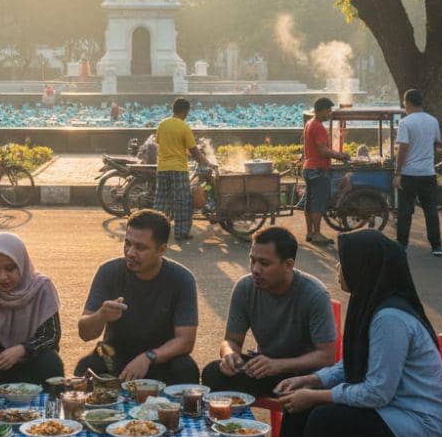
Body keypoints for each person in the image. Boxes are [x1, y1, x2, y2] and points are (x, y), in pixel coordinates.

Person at [273, 230, 442, 437]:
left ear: (363, 266)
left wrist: (316, 397)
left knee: (325, 420)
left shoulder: (389, 318)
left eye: (344, 261)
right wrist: (310, 381)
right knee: (300, 409)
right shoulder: (370, 302)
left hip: (417, 423)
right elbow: (352, 366)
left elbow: (377, 391)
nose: (338, 268)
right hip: (392, 410)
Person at [201, 226, 337, 396]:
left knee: (300, 396)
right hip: (264, 369)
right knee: (213, 372)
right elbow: (231, 340)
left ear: (288, 265)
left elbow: (326, 356)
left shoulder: (314, 294)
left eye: (264, 263)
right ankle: (238, 423)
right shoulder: (245, 288)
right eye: (252, 260)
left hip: (302, 375)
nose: (255, 269)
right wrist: (229, 355)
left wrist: (279, 365)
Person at [75, 209, 200, 384]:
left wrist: (148, 357)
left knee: (186, 369)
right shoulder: (109, 272)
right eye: (127, 243)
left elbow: (186, 341)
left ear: (162, 250)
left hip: (161, 358)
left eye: (140, 247)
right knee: (86, 366)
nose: (130, 252)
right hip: (114, 355)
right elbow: (85, 333)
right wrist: (101, 315)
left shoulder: (181, 279)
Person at [0, 232, 64, 389]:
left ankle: (50, 409)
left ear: (21, 264)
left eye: (10, 268)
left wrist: (23, 349)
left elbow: (51, 336)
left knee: (50, 361)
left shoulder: (41, 287)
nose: (3, 277)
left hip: (33, 359)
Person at [393, 88, 442, 256]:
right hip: (428, 173)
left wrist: (397, 173)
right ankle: (436, 246)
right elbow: (438, 144)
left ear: (407, 103)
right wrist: (427, 156)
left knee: (405, 211)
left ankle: (402, 245)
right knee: (431, 211)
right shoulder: (433, 121)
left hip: (409, 174)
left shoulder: (406, 123)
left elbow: (403, 149)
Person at [154, 97, 211, 241]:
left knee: (161, 201)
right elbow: (194, 151)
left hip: (162, 168)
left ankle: (156, 233)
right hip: (178, 169)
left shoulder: (162, 124)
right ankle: (181, 233)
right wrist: (205, 163)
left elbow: (159, 142)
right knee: (182, 202)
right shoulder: (183, 126)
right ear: (185, 111)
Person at [303, 97, 349, 246]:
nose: (330, 114)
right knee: (318, 202)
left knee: (310, 203)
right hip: (318, 169)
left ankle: (310, 232)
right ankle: (316, 234)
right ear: (320, 110)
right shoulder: (318, 127)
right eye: (328, 111)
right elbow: (323, 151)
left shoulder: (310, 123)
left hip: (309, 167)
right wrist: (340, 155)